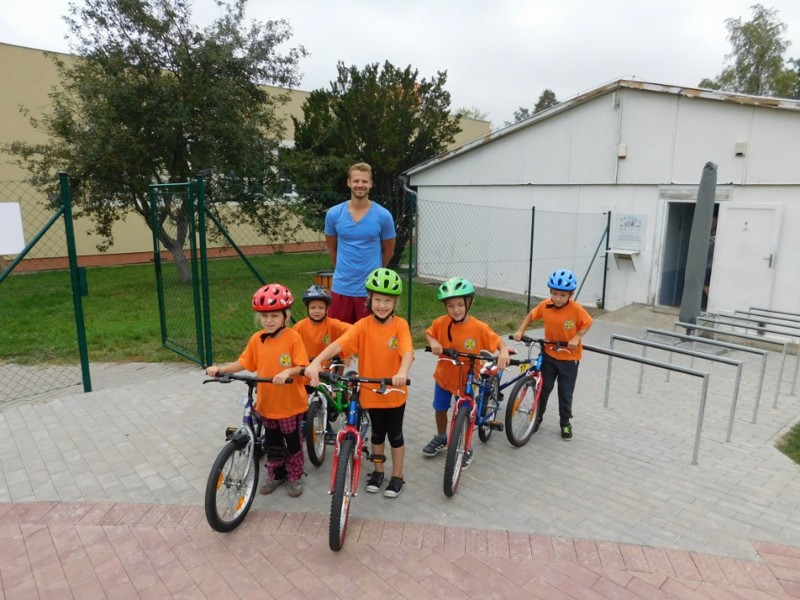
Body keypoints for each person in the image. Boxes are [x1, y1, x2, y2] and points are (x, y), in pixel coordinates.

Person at [305, 268, 413, 498]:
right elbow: (339, 344)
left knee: (395, 435)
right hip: (370, 391)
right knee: (377, 435)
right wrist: (316, 362)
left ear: (395, 302)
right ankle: (378, 471)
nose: (382, 305)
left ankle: (398, 476)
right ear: (369, 299)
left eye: (388, 300)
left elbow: (407, 351)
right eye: (378, 300)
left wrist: (402, 371)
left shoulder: (400, 325)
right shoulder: (363, 325)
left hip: (393, 391)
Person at [205, 283, 309, 497]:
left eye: (274, 316)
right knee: (272, 442)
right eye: (264, 316)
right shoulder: (257, 339)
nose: (269, 320)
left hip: (289, 404)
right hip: (267, 403)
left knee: (292, 442)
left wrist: (287, 372)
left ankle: (294, 475)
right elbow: (244, 362)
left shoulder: (292, 338)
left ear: (286, 316)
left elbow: (302, 366)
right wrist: (221, 370)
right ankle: (276, 474)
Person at [423, 277, 510, 467]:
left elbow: (498, 342)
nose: (456, 310)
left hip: (467, 378)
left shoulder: (478, 327)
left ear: (469, 303)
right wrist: (434, 342)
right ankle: (441, 437)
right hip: (444, 376)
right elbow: (428, 333)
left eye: (460, 305)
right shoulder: (441, 323)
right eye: (450, 306)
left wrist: (503, 351)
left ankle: (465, 446)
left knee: (465, 413)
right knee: (440, 409)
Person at [512, 269, 592, 441]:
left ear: (571, 295)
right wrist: (521, 330)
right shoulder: (546, 305)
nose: (557, 298)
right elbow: (531, 315)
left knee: (565, 393)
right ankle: (537, 418)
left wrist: (576, 337)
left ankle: (565, 423)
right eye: (554, 293)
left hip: (569, 359)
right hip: (549, 355)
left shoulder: (576, 309)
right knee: (543, 389)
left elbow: (587, 323)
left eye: (562, 295)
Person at [324, 162, 397, 324]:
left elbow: (389, 251)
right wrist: (343, 269)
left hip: (371, 291)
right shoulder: (334, 214)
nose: (360, 185)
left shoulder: (383, 216)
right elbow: (332, 249)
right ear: (349, 182)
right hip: (341, 289)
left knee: (370, 338)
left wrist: (375, 273)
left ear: (371, 184)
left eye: (364, 181)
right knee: (339, 337)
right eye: (356, 181)